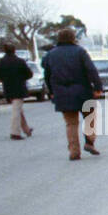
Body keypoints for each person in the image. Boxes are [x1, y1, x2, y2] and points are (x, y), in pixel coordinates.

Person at [41, 27, 102, 160]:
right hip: (83, 92)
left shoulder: (51, 54)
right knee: (90, 118)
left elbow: (47, 75)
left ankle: (74, 151)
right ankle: (90, 141)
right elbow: (91, 70)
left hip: (62, 93)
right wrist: (97, 87)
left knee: (71, 123)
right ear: (73, 38)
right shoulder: (80, 52)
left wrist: (51, 92)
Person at [0, 43, 34, 140]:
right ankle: (15, 132)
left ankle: (26, 129)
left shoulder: (0, 62)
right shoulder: (20, 61)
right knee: (16, 110)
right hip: (19, 87)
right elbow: (29, 74)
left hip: (7, 87)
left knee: (18, 109)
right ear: (14, 50)